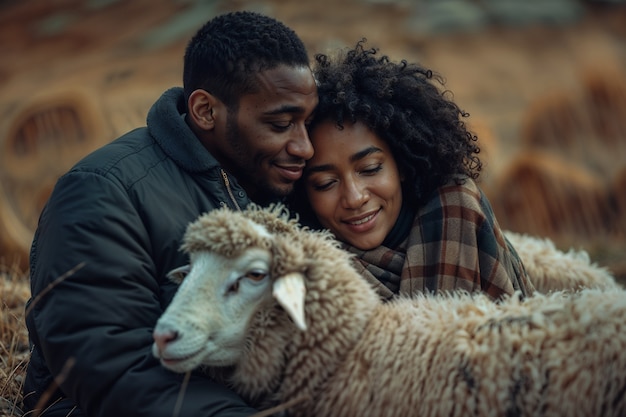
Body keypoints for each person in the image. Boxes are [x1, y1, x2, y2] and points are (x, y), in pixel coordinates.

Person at [23, 11, 317, 417]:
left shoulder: (281, 182)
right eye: (281, 123)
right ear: (205, 111)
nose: (305, 147)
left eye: (306, 122)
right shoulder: (102, 191)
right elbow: (110, 369)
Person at [289, 40, 534, 301]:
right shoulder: (302, 268)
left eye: (370, 169)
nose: (354, 198)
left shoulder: (454, 210)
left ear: (402, 164)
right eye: (325, 183)